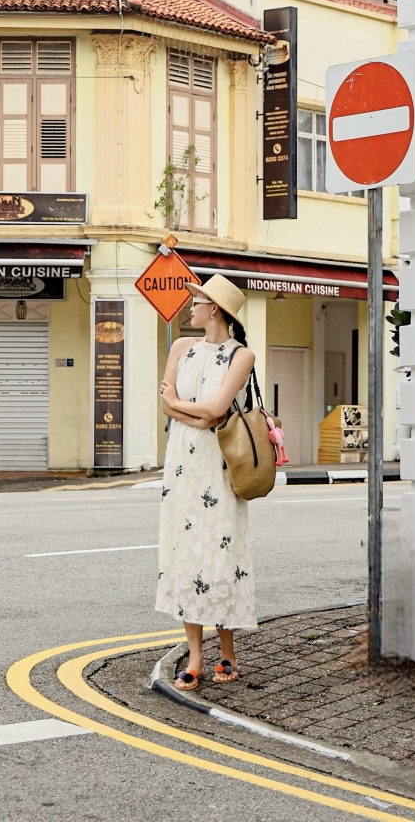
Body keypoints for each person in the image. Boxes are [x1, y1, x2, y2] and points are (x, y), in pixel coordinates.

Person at [156, 274, 257, 690]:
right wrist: (190, 413)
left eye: (196, 301)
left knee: (222, 552)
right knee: (185, 554)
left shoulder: (242, 356)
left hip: (220, 465)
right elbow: (171, 405)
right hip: (181, 463)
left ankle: (228, 651)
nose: (189, 307)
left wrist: (180, 406)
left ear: (214, 308)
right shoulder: (181, 347)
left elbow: (217, 410)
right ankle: (195, 654)